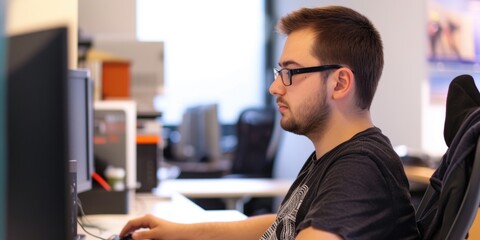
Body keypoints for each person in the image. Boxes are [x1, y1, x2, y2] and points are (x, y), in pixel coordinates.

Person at [119, 5, 420, 240]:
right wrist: (178, 232)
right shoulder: (330, 158)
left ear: (340, 83)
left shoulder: (360, 168)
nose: (276, 88)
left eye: (291, 73)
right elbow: (285, 224)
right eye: (279, 73)